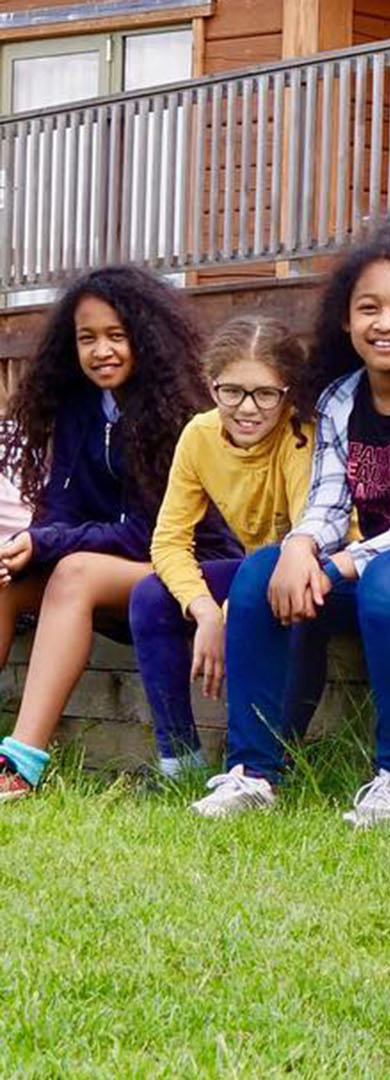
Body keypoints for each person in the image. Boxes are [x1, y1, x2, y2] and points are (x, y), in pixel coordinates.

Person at [192, 223, 390, 825]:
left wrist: (340, 563)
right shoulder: (338, 400)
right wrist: (301, 546)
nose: (386, 323)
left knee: (384, 585)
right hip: (355, 565)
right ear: (345, 320)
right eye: (369, 308)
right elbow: (329, 500)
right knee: (257, 575)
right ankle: (253, 772)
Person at [0, 266, 238, 800]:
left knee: (74, 571)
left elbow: (149, 534)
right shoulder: (78, 408)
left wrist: (50, 545)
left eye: (116, 335)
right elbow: (60, 513)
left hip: (189, 570)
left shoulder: (174, 409)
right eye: (88, 338)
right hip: (112, 574)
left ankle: (21, 766)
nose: (101, 350)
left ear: (144, 337)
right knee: (7, 579)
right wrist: (26, 549)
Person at [130, 316, 319, 783]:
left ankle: (275, 757)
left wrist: (235, 607)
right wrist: (206, 612)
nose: (246, 408)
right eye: (230, 391)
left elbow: (305, 537)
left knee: (281, 596)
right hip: (257, 569)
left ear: (288, 393)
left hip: (319, 566)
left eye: (264, 393)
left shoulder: (301, 434)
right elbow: (169, 539)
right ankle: (180, 760)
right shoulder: (200, 435)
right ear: (211, 386)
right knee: (150, 596)